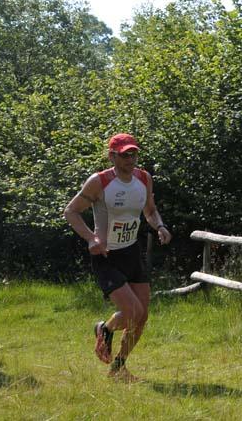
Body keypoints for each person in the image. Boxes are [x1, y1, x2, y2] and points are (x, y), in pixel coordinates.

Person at [64, 133, 172, 382]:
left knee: (142, 316)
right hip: (107, 255)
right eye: (124, 155)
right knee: (132, 311)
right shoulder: (99, 182)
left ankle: (118, 367)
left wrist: (160, 227)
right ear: (111, 156)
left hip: (131, 252)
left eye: (133, 154)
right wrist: (91, 238)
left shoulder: (144, 179)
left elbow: (151, 211)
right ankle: (106, 328)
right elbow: (71, 212)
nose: (130, 159)